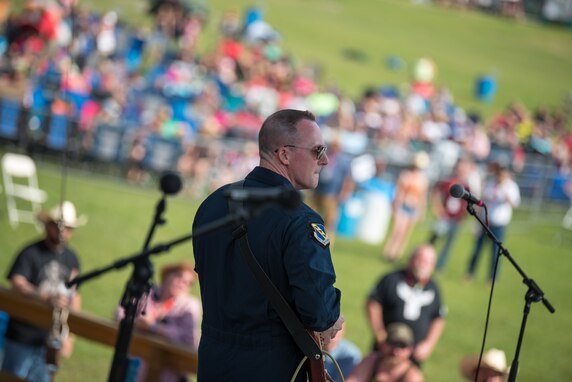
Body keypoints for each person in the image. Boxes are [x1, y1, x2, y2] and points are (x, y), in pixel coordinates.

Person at [192, 109, 343, 381]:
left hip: (212, 362)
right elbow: (319, 312)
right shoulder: (301, 220)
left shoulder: (213, 203)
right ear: (284, 154)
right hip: (271, 367)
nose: (325, 160)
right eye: (318, 150)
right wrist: (334, 315)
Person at [1, 201, 86, 382]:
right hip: (22, 336)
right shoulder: (31, 252)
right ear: (48, 225)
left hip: (50, 340)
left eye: (69, 228)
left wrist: (70, 337)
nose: (64, 231)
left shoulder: (72, 259)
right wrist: (43, 297)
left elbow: (74, 296)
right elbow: (17, 283)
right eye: (59, 226)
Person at [115, 261, 202, 382]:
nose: (182, 284)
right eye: (179, 277)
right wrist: (136, 323)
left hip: (167, 375)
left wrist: (153, 327)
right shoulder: (147, 292)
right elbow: (120, 315)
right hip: (132, 365)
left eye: (188, 283)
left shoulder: (189, 307)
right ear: (167, 275)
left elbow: (189, 342)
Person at [366, 245, 445, 366]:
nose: (424, 264)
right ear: (411, 259)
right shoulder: (391, 279)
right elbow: (373, 304)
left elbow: (438, 319)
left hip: (413, 357)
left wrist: (428, 345)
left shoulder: (433, 288)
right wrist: (380, 334)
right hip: (386, 349)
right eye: (421, 259)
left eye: (429, 262)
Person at [465, 158, 521, 283]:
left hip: (499, 225)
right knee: (477, 249)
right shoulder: (490, 183)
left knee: (495, 253)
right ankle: (470, 273)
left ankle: (491, 278)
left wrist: (506, 195)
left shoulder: (511, 187)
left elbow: (515, 204)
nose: (500, 175)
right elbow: (482, 202)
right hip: (486, 223)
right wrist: (477, 222)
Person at [382, 151, 430, 262]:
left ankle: (397, 254)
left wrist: (422, 212)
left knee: (405, 233)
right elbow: (399, 192)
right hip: (403, 205)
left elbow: (422, 197)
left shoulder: (423, 179)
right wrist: (396, 205)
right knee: (397, 230)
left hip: (413, 207)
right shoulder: (406, 175)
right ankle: (389, 252)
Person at [428, 156, 473, 272]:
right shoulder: (448, 181)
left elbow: (467, 203)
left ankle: (440, 266)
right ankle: (425, 258)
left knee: (449, 244)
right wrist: (437, 208)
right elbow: (435, 192)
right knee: (434, 239)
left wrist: (464, 217)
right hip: (444, 217)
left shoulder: (467, 185)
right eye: (461, 166)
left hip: (456, 220)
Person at [345, 322, 423, 382]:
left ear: (410, 350)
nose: (395, 351)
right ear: (382, 344)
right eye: (392, 344)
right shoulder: (370, 362)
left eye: (402, 346)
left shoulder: (412, 377)